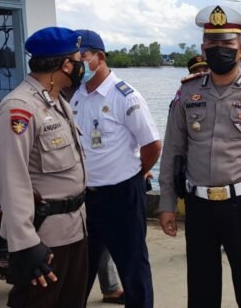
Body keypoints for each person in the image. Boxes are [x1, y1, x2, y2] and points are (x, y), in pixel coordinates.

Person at [157, 5, 241, 308]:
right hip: (198, 205)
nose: (219, 50)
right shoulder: (187, 93)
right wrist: (166, 203)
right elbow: (173, 150)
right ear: (203, 48)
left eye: (227, 45)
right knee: (201, 291)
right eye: (212, 44)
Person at [0, 27, 88, 308]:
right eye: (77, 59)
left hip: (74, 230)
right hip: (43, 238)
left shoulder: (57, 100)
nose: (82, 66)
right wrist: (25, 244)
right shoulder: (19, 108)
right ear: (65, 65)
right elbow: (12, 180)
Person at [70, 29, 161, 308]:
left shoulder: (126, 96)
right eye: (73, 58)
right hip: (85, 198)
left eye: (82, 57)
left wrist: (136, 172)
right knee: (79, 269)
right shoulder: (74, 95)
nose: (77, 64)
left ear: (99, 57)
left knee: (132, 266)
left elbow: (152, 145)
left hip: (122, 195)